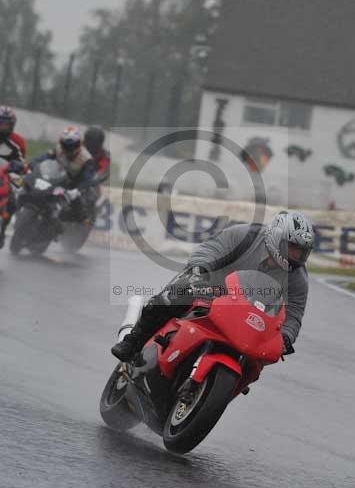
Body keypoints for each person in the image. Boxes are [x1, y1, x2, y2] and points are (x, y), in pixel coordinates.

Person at [112, 210, 315, 362]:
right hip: (210, 288)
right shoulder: (245, 236)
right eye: (293, 249)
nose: (297, 256)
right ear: (277, 238)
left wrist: (286, 338)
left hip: (248, 314)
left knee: (259, 355)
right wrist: (200, 270)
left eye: (302, 252)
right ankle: (133, 342)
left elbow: (294, 313)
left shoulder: (298, 278)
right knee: (176, 295)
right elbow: (210, 249)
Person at [30, 126, 96, 222]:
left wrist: (78, 190)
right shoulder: (57, 149)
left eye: (73, 145)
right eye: (66, 145)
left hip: (72, 186)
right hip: (54, 179)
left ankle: (81, 220)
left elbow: (87, 179)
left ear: (79, 144)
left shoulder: (86, 159)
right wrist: (32, 165)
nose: (69, 149)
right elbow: (41, 158)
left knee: (79, 207)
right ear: (61, 143)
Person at [0, 106, 27, 247]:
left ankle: (3, 227)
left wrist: (21, 168)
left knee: (15, 197)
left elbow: (22, 163)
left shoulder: (17, 143)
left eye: (6, 124)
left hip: (5, 174)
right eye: (1, 123)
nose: (3, 128)